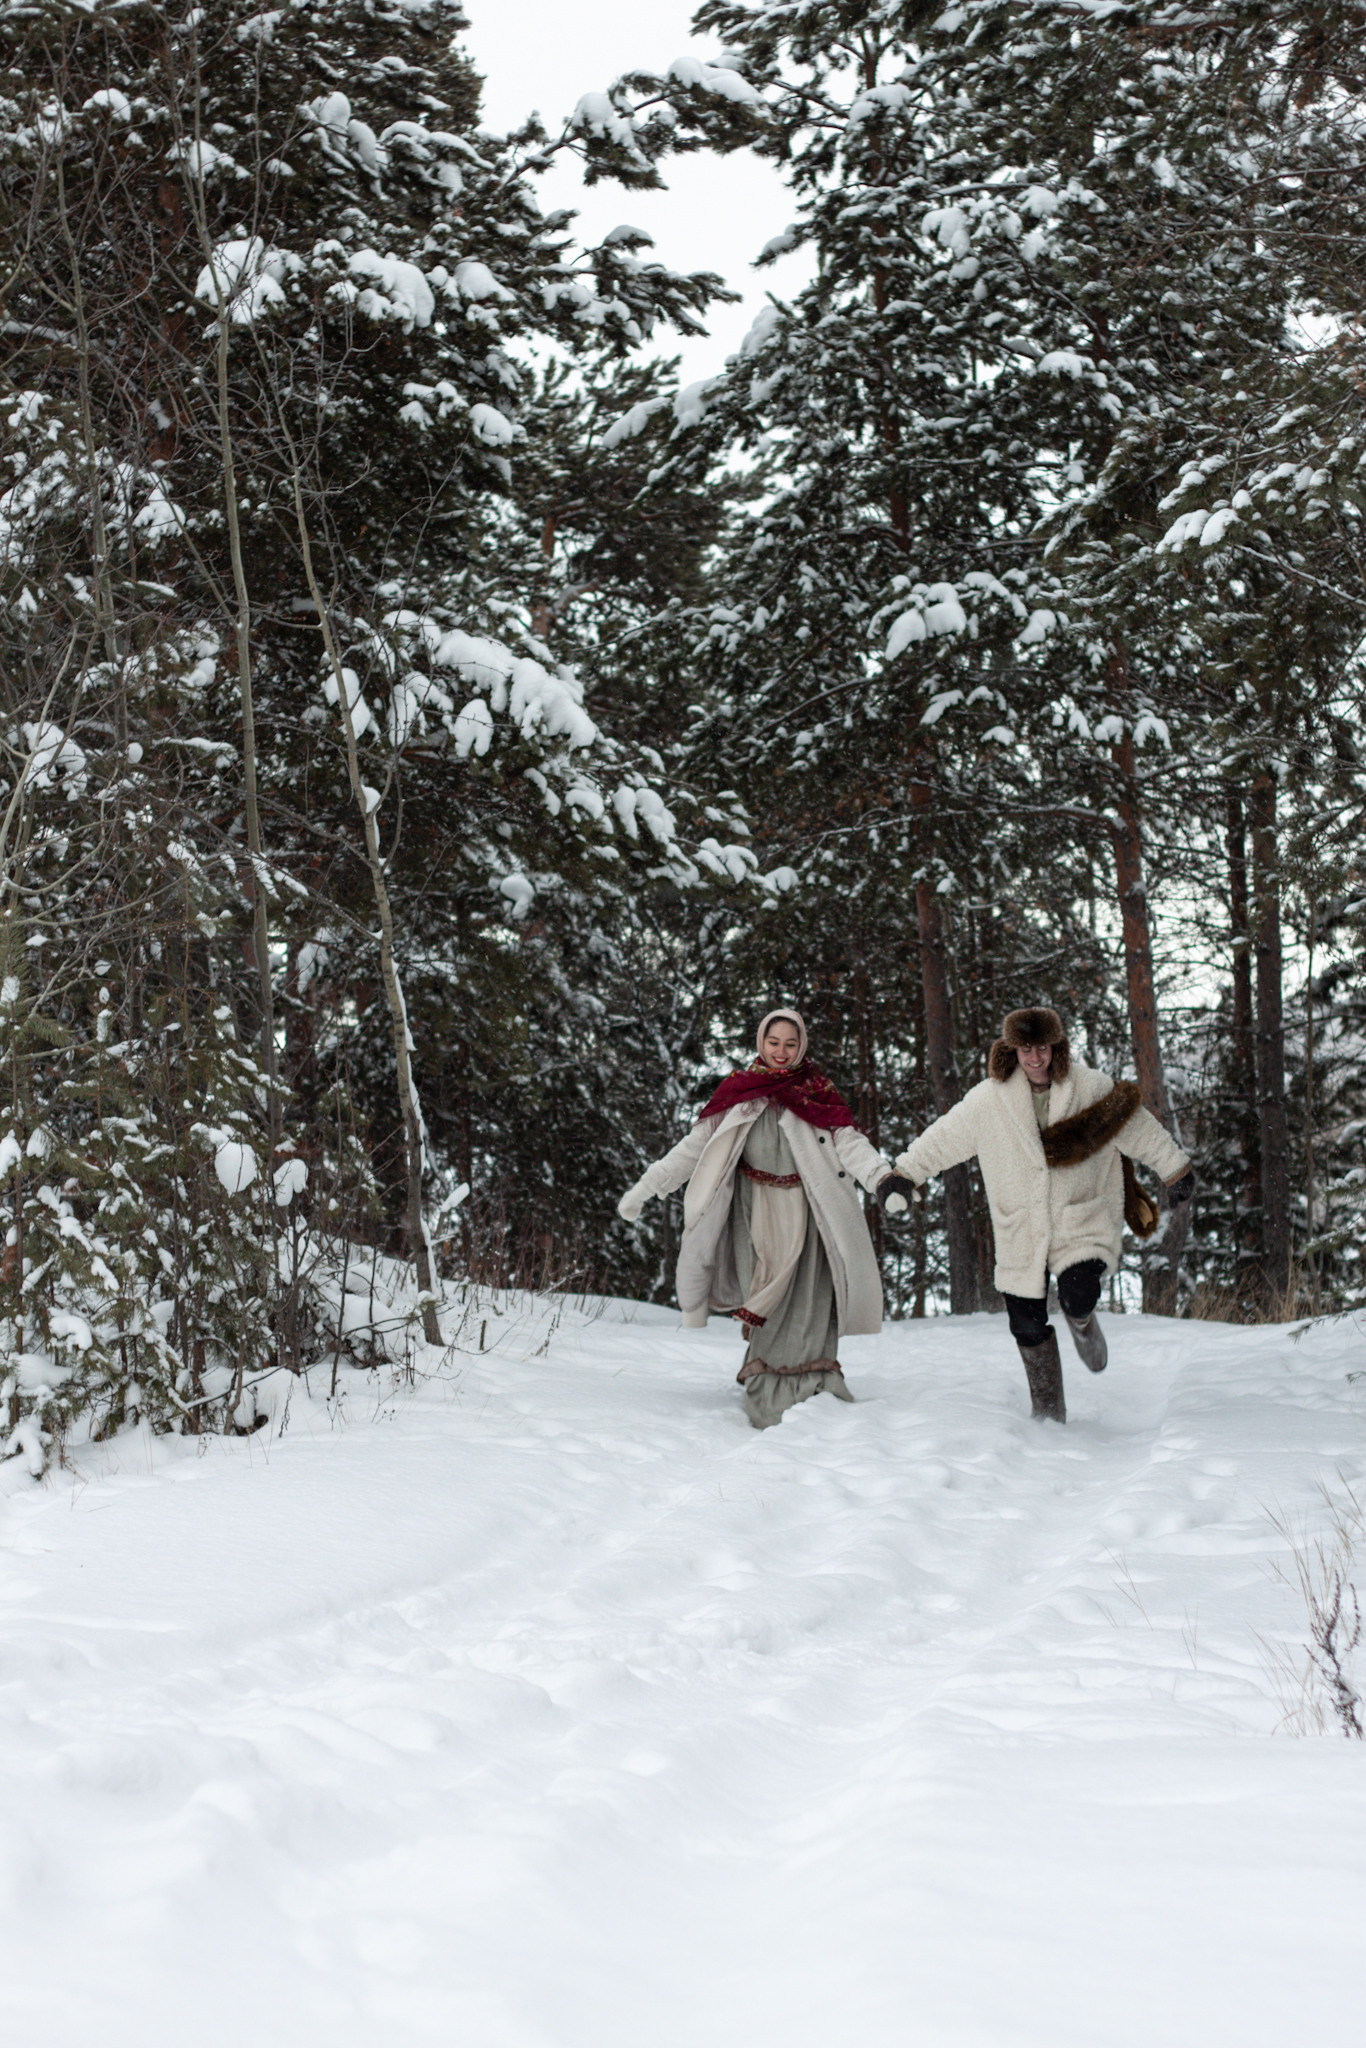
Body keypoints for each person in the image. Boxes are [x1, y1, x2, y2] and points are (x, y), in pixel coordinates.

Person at [893, 1007, 1195, 1423]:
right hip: (1020, 1224)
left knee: (1077, 1290)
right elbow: (943, 1138)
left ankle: (1083, 1320)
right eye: (1025, 1049)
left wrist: (1174, 1167)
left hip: (1081, 1215)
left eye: (1042, 1048)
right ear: (1011, 1050)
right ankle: (1049, 1414)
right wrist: (905, 1175)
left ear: (1056, 1047)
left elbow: (1137, 1128)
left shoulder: (1089, 1087)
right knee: (1026, 1323)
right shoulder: (988, 1100)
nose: (1034, 1058)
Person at [617, 1009, 911, 1429]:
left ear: (802, 1045)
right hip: (752, 1215)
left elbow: (851, 1144)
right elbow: (692, 1147)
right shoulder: (740, 1094)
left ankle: (815, 1387)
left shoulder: (817, 1093)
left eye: (790, 1044)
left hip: (808, 1216)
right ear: (761, 1042)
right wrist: (646, 1187)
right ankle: (767, 1390)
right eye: (774, 1042)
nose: (781, 1052)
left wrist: (883, 1180)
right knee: (768, 1304)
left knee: (808, 1301)